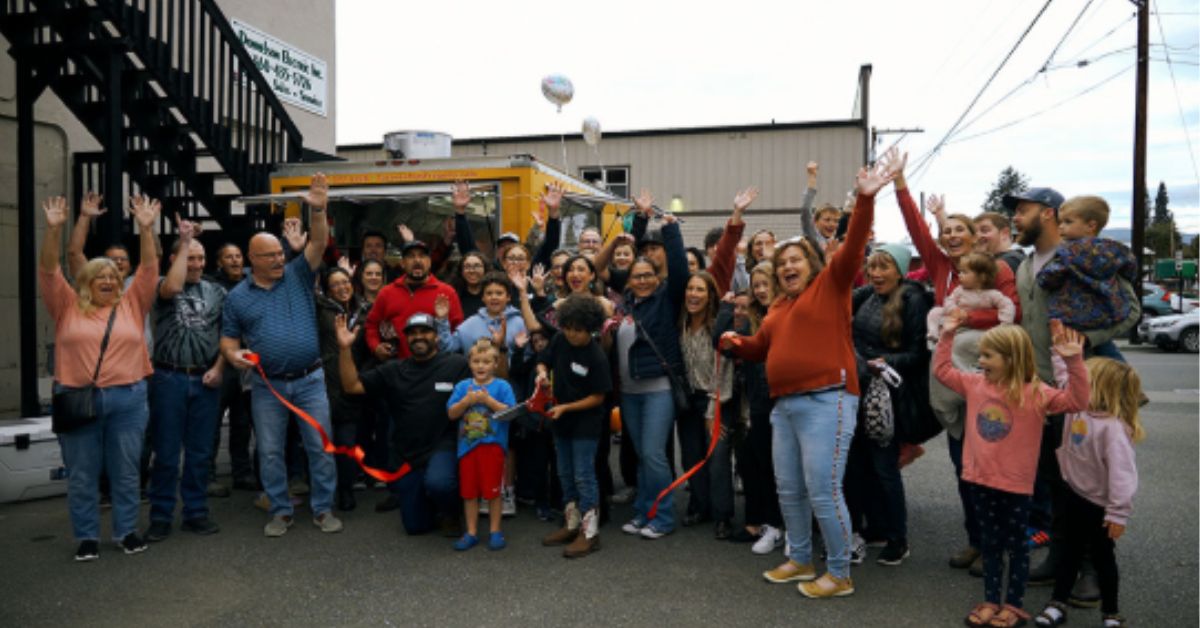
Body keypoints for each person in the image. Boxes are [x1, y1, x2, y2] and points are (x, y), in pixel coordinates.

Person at [721, 151, 899, 598]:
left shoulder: (832, 286)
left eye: (795, 260)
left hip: (829, 399)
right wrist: (735, 343)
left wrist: (864, 201)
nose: (787, 267)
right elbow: (762, 348)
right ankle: (800, 557)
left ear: (813, 265)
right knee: (789, 489)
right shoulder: (779, 307)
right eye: (782, 264)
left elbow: (854, 243)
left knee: (822, 489)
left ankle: (839, 573)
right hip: (785, 406)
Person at [1007, 187, 1140, 604]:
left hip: (1083, 392)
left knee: (1090, 487)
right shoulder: (1027, 265)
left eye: (1022, 210)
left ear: (1047, 214)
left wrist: (1085, 340)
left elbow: (1131, 311)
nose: (1015, 217)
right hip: (1042, 393)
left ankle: (1092, 570)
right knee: (1056, 482)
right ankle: (1061, 557)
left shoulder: (1088, 257)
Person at [895, 159, 1021, 573]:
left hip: (990, 380)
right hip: (950, 380)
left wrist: (966, 320)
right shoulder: (941, 268)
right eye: (946, 232)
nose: (951, 238)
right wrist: (899, 183)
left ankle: (997, 546)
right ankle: (976, 540)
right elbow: (916, 230)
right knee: (962, 463)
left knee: (989, 462)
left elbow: (1013, 313)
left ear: (974, 239)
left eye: (958, 232)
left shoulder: (997, 269)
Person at [934, 320, 1089, 628]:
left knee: (1017, 547)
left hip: (1015, 486)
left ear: (1011, 358)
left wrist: (1074, 361)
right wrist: (947, 334)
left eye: (988, 356)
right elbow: (941, 371)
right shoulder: (975, 383)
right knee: (991, 545)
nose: (981, 361)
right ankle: (992, 600)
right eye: (981, 355)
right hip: (979, 480)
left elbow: (1077, 401)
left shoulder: (1035, 393)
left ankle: (1013, 605)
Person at [220, 173, 344, 538]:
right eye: (270, 255)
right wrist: (233, 355)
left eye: (280, 252)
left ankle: (323, 509)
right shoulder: (237, 298)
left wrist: (318, 209)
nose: (279, 259)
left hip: (310, 380)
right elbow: (228, 340)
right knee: (271, 452)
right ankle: (280, 509)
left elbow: (318, 242)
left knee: (319, 448)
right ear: (251, 259)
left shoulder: (298, 275)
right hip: (267, 386)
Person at [39, 193, 161, 561]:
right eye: (100, 276)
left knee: (126, 473)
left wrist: (145, 228)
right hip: (78, 399)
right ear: (86, 281)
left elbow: (150, 269)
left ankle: (126, 532)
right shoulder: (66, 305)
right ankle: (87, 536)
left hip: (128, 399)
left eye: (114, 275)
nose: (109, 280)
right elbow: (48, 270)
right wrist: (53, 230)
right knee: (82, 475)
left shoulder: (132, 303)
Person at [338, 312, 470, 535]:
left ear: (436, 337)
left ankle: (450, 511)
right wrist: (344, 348)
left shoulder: (456, 364)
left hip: (443, 445)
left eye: (425, 332)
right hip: (407, 453)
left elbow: (489, 384)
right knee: (415, 527)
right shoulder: (394, 370)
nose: (419, 337)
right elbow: (352, 386)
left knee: (440, 483)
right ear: (406, 339)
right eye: (413, 333)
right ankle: (429, 503)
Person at [1035, 357, 1141, 628]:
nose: (1077, 384)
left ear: (1100, 388)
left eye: (1085, 380)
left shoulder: (1113, 429)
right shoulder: (1075, 407)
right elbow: (1065, 377)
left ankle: (1111, 613)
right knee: (1069, 553)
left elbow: (1123, 478)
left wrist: (1118, 514)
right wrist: (1061, 353)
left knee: (1102, 557)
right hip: (1074, 494)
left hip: (1100, 506)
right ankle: (1058, 603)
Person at [675, 187, 756, 535]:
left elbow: (722, 258)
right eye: (689, 289)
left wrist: (735, 217)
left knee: (718, 458)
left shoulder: (720, 322)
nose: (693, 294)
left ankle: (723, 515)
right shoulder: (679, 322)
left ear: (710, 293)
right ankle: (700, 505)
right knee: (692, 455)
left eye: (700, 290)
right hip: (687, 398)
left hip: (716, 400)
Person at [846, 244, 934, 567]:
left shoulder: (913, 300)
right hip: (861, 388)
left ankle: (899, 538)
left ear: (900, 270)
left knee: (884, 467)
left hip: (889, 396)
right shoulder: (867, 294)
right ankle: (878, 526)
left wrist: (886, 361)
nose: (877, 273)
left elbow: (919, 353)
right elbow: (836, 301)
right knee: (860, 465)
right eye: (873, 267)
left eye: (885, 267)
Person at [145, 217, 227, 543]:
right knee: (165, 452)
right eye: (190, 258)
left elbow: (228, 335)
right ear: (175, 259)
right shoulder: (161, 284)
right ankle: (161, 515)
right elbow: (174, 288)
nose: (196, 264)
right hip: (169, 377)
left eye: (200, 258)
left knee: (199, 452)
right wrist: (184, 240)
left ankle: (195, 512)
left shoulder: (217, 291)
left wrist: (220, 367)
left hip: (205, 378)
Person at [614, 206, 688, 541]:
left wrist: (670, 230)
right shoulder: (625, 305)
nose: (642, 280)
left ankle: (663, 515)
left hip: (658, 388)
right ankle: (645, 511)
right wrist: (636, 224)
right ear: (628, 281)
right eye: (636, 276)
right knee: (643, 454)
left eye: (648, 275)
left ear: (657, 278)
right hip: (630, 391)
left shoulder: (666, 299)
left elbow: (682, 273)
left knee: (655, 454)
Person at [536, 295, 613, 558]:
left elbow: (599, 397)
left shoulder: (596, 355)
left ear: (590, 329)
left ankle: (589, 533)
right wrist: (542, 374)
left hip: (585, 424)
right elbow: (542, 359)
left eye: (578, 330)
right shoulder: (559, 340)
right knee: (565, 474)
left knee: (584, 475)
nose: (571, 334)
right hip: (560, 421)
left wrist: (566, 407)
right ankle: (571, 524)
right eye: (567, 327)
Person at [1037, 196, 1137, 363]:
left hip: (1072, 320)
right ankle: (1125, 378)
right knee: (1108, 356)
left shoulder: (1069, 252)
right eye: (1060, 222)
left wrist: (1044, 275)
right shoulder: (1113, 252)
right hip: (1105, 317)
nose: (1060, 227)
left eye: (1067, 222)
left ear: (1091, 225)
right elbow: (1130, 270)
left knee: (1069, 365)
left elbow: (1048, 278)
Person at [728, 262, 785, 555]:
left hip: (784, 401)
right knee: (756, 462)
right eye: (757, 286)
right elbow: (726, 345)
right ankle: (767, 523)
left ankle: (778, 525)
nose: (762, 290)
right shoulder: (750, 318)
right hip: (759, 404)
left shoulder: (787, 313)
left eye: (766, 284)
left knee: (778, 469)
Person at [446, 339, 516, 551]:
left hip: (492, 447)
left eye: (486, 361)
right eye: (476, 361)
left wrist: (489, 402)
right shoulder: (462, 387)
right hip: (467, 448)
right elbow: (451, 413)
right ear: (470, 363)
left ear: (495, 364)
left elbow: (510, 413)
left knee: (493, 492)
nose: (481, 366)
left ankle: (495, 530)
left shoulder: (502, 386)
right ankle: (471, 532)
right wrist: (466, 401)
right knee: (469, 493)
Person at [315, 267, 372, 512]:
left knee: (347, 442)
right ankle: (324, 490)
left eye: (345, 282)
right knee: (322, 443)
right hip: (324, 383)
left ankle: (346, 489)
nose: (342, 287)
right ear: (327, 290)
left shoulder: (364, 311)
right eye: (335, 284)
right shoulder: (321, 310)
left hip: (353, 384)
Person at [365, 239, 463, 361]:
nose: (417, 260)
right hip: (398, 368)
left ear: (429, 262)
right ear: (402, 263)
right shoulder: (386, 293)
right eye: (411, 256)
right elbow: (371, 325)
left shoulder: (447, 293)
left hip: (436, 368)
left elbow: (458, 333)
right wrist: (376, 347)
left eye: (422, 256)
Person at [211, 243, 256, 492]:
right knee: (213, 420)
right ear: (220, 262)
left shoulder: (253, 283)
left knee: (242, 421)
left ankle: (242, 472)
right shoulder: (212, 287)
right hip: (221, 360)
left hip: (248, 360)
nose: (234, 260)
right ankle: (209, 475)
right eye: (228, 257)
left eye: (238, 256)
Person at [926, 253, 1016, 346]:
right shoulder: (959, 290)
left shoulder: (992, 294)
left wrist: (1005, 323)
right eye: (960, 271)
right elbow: (949, 300)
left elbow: (1007, 305)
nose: (960, 275)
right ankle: (933, 334)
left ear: (981, 277)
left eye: (964, 272)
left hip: (977, 325)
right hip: (957, 316)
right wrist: (953, 309)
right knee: (935, 311)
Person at [450, 251, 489, 316]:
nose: (472, 271)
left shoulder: (494, 294)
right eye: (467, 267)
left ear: (485, 269)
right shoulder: (454, 295)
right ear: (461, 271)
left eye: (477, 266)